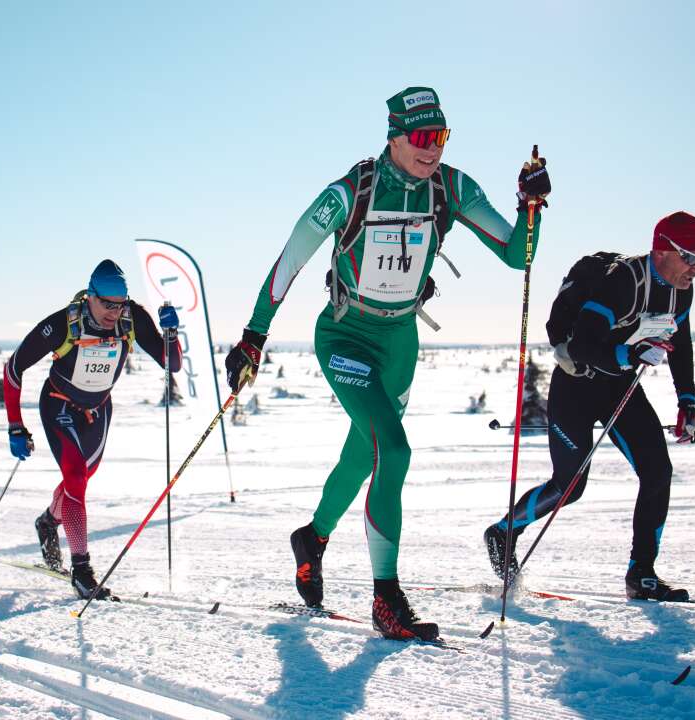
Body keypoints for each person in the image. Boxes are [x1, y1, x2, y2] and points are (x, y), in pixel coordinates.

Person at [223, 87, 551, 640]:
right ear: (394, 136)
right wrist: (256, 333)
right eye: (422, 138)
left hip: (400, 343)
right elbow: (292, 256)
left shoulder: (452, 187)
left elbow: (518, 253)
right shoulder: (352, 190)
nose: (432, 150)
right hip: (346, 337)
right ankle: (387, 597)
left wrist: (531, 207)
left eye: (441, 138)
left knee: (362, 455)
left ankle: (313, 537)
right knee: (393, 450)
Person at [483, 211, 695, 602]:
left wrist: (687, 400)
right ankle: (504, 531)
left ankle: (642, 574)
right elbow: (583, 346)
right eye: (690, 257)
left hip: (618, 387)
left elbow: (681, 344)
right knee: (570, 486)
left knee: (658, 471)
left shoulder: (680, 290)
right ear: (662, 249)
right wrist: (630, 353)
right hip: (576, 385)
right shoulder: (622, 281)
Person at [2, 260, 181, 600]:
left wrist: (171, 334)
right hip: (58, 405)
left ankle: (48, 521)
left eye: (121, 303)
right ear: (90, 297)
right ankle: (82, 571)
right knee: (75, 477)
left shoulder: (132, 318)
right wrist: (15, 425)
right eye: (108, 304)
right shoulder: (63, 323)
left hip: (99, 411)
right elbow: (13, 369)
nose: (115, 311)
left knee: (81, 479)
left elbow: (171, 363)